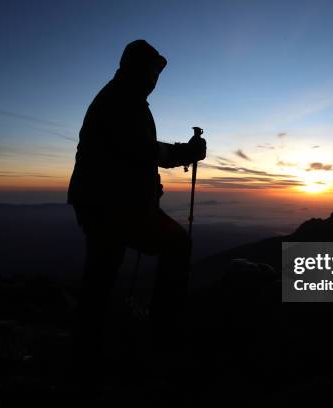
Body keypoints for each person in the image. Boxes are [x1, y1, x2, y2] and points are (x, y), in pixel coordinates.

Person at [66, 39, 207, 383]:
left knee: (101, 273)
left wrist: (147, 185)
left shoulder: (121, 97)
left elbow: (124, 157)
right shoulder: (122, 100)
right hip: (113, 207)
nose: (155, 78)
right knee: (176, 246)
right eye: (152, 70)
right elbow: (141, 150)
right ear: (136, 69)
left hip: (104, 203)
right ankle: (161, 333)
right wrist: (186, 153)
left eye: (157, 72)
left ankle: (87, 352)